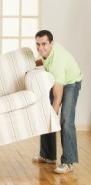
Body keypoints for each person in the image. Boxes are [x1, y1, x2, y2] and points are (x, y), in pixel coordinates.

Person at [32, 30, 82, 174]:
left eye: (44, 44)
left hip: (71, 83)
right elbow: (42, 59)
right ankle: (48, 155)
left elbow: (57, 96)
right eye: (38, 44)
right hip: (59, 80)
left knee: (65, 118)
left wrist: (52, 116)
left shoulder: (57, 62)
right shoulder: (46, 53)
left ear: (51, 43)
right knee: (47, 113)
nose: (40, 48)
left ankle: (68, 162)